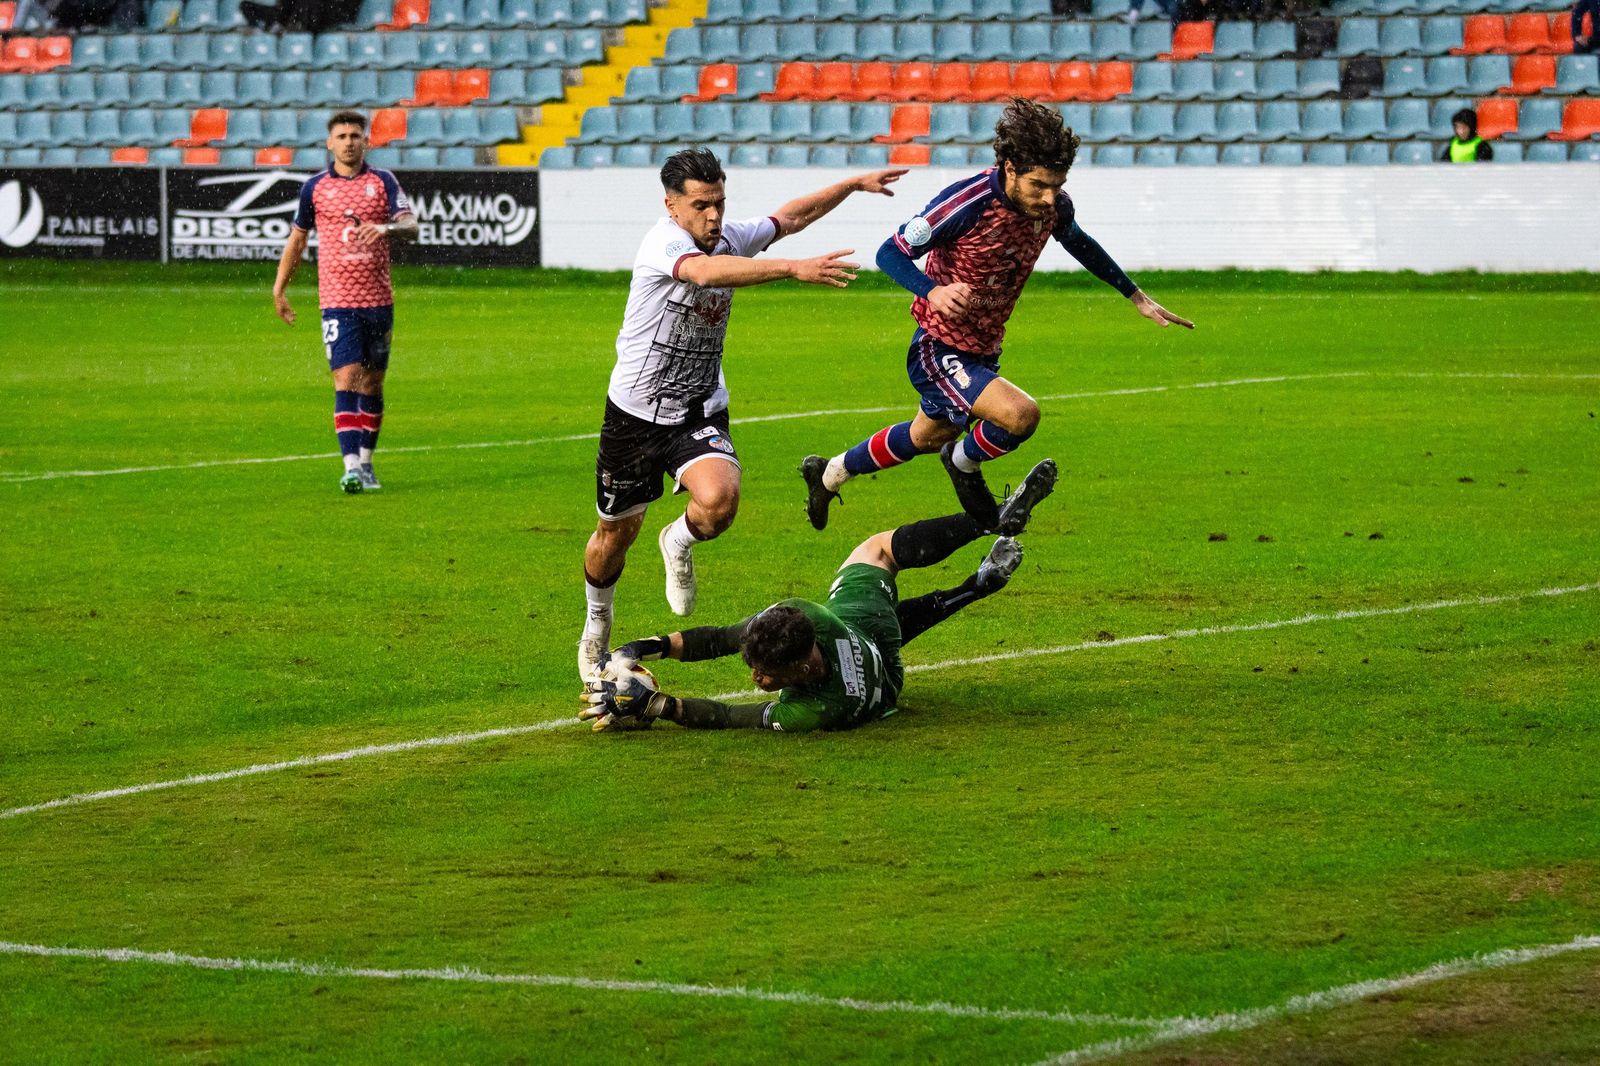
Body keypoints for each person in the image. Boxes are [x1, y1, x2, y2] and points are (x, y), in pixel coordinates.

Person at [578, 148, 908, 680]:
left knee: (720, 503)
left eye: (720, 203)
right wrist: (792, 267)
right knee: (614, 535)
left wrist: (851, 183)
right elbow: (704, 275)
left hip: (698, 409)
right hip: (636, 416)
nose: (714, 216)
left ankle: (679, 539)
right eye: (702, 205)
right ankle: (596, 626)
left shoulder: (727, 236)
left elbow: (789, 217)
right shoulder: (664, 243)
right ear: (673, 206)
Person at [801, 97, 1192, 535]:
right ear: (1009, 168)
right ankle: (964, 463)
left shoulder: (1054, 206)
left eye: (1057, 185)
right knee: (1020, 415)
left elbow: (1078, 241)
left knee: (924, 436)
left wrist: (1134, 295)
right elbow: (889, 252)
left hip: (983, 347)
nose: (1049, 198)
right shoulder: (966, 204)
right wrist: (933, 290)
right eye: (1038, 185)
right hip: (938, 346)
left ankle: (830, 473)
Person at [579, 462, 1054, 733]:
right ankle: (986, 521)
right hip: (865, 634)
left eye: (767, 673)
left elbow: (727, 715)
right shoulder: (805, 620)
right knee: (881, 550)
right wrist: (639, 649)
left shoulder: (813, 709)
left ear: (803, 668)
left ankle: (977, 583)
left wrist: (658, 706)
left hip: (883, 681)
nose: (758, 678)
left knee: (878, 581)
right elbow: (724, 639)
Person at [272, 110, 417, 494]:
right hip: (337, 301)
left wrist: (384, 227)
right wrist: (279, 288)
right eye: (342, 135)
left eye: (355, 134)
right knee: (346, 377)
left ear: (365, 141)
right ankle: (350, 466)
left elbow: (411, 225)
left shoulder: (383, 181)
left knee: (372, 383)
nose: (349, 141)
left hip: (378, 301)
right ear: (329, 143)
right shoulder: (315, 189)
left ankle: (367, 462)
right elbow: (297, 239)